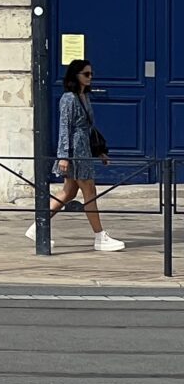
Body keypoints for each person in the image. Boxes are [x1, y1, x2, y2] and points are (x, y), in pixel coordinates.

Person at [29, 59, 126, 252]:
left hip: (84, 149)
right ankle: (100, 237)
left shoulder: (84, 96)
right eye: (86, 74)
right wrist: (64, 155)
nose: (90, 78)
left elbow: (89, 128)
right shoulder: (69, 98)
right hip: (74, 152)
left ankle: (37, 227)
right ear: (76, 76)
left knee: (69, 192)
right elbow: (65, 128)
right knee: (89, 191)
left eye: (91, 74)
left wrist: (99, 152)